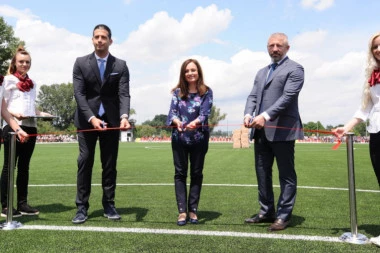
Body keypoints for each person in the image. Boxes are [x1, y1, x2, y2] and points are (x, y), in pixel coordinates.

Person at [243, 33, 304, 231]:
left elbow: (287, 97)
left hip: (283, 131)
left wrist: (265, 116)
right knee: (262, 173)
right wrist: (248, 114)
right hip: (260, 133)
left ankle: (283, 216)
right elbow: (252, 96)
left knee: (286, 175)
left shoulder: (295, 69)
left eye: (279, 45)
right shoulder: (261, 72)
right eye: (271, 45)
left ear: (287, 48)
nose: (275, 49)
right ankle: (266, 211)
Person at [72, 24, 131, 224]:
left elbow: (123, 93)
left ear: (110, 41)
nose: (99, 40)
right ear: (92, 39)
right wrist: (91, 118)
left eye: (103, 37)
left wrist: (124, 116)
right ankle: (81, 208)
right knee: (85, 161)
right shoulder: (80, 63)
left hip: (112, 121)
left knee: (109, 165)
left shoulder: (120, 66)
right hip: (86, 121)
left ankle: (109, 204)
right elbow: (79, 94)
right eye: (96, 37)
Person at [332, 32, 380, 246]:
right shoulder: (373, 76)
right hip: (377, 132)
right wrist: (346, 128)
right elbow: (366, 108)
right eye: (375, 47)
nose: (378, 49)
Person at [0, 47, 50, 218]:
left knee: (24, 167)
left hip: (31, 127)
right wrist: (14, 115)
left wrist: (43, 114)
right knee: (9, 166)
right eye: (21, 61)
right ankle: (6, 205)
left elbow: (31, 106)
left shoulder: (33, 83)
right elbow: (3, 106)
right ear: (14, 62)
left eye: (27, 62)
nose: (24, 64)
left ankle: (22, 203)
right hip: (13, 126)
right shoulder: (7, 80)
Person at [166, 59, 213, 226]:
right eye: (187, 71)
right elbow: (171, 114)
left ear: (198, 72)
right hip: (179, 139)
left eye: (193, 70)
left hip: (199, 139)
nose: (190, 73)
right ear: (183, 74)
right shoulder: (177, 92)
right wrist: (177, 121)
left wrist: (197, 122)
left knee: (196, 173)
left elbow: (205, 113)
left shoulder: (206, 92)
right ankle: (182, 212)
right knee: (180, 174)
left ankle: (193, 210)